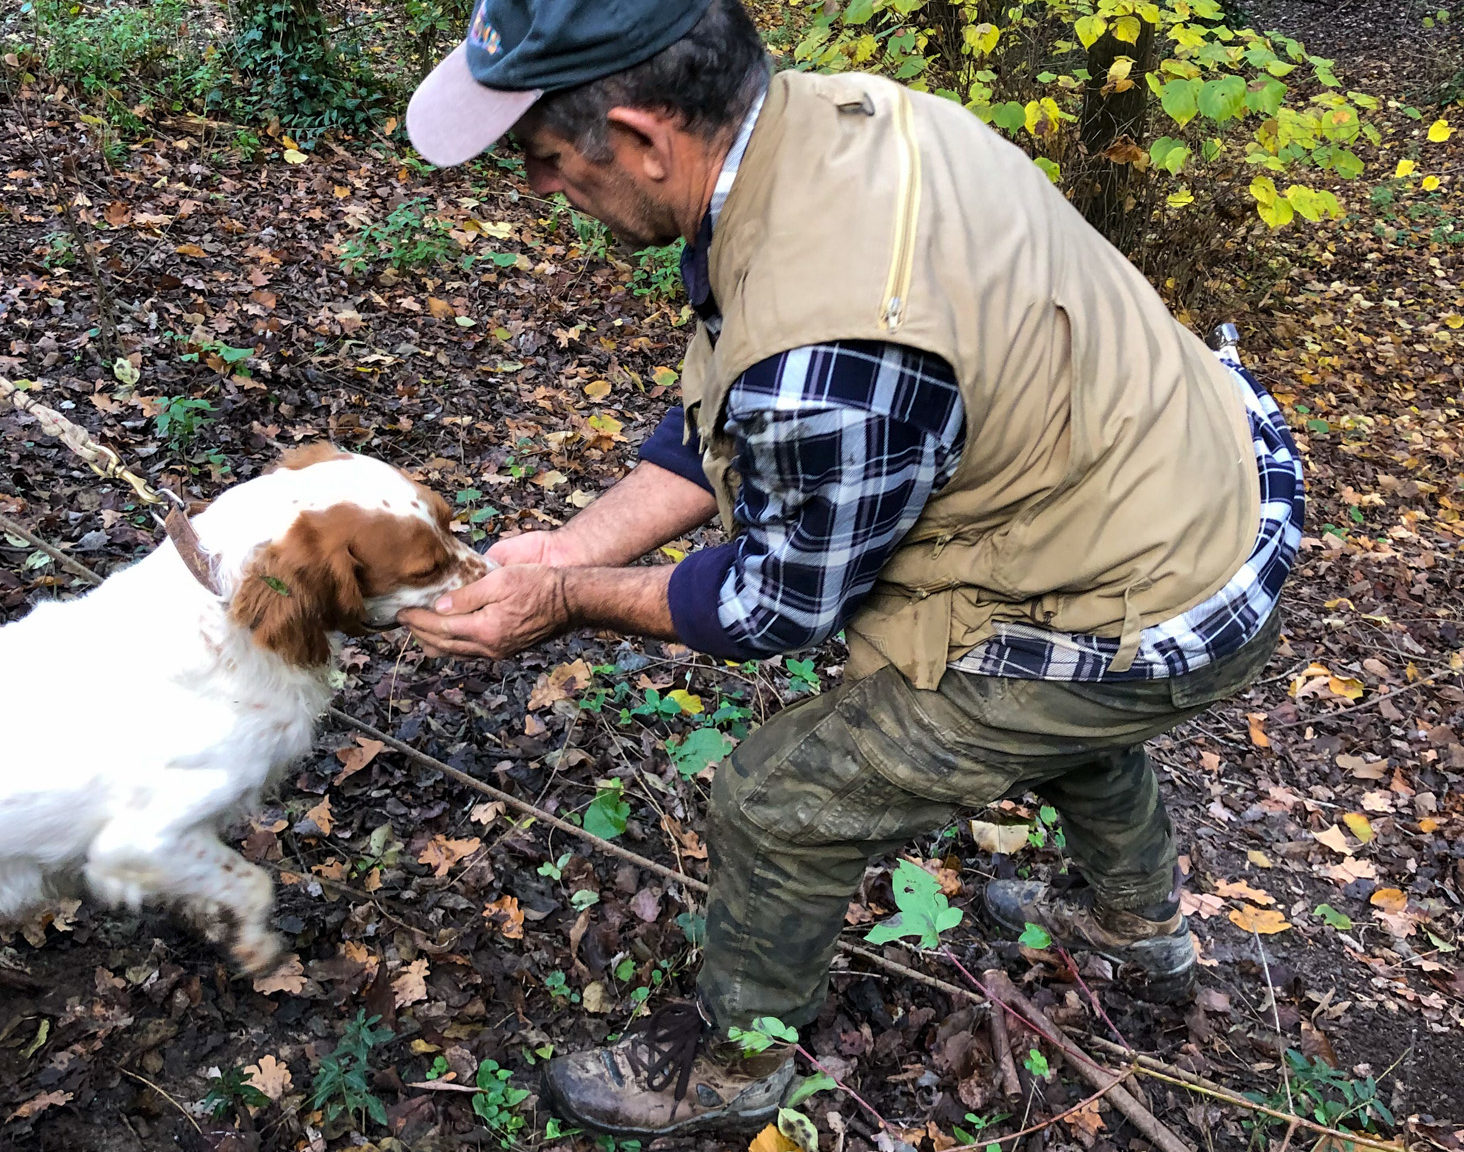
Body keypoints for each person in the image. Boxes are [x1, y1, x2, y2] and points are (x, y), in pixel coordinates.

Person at [400, 0, 1305, 1139]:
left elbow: (778, 600)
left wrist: (568, 600)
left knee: (781, 799)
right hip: (1185, 493)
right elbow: (734, 398)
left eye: (542, 161)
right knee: (1074, 720)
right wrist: (574, 545)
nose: (541, 190)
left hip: (1149, 592)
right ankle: (1138, 930)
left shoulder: (833, 335)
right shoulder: (831, 125)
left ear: (640, 139)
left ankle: (732, 1069)